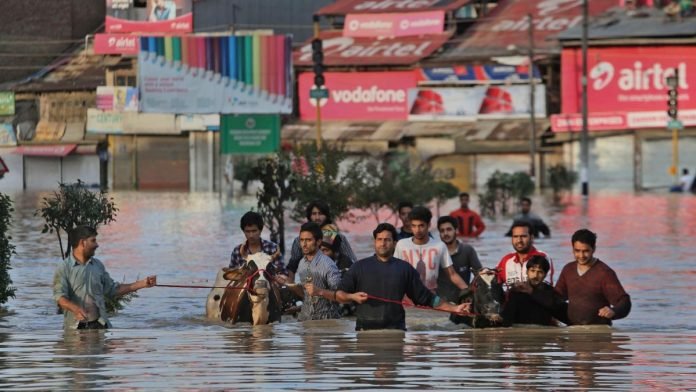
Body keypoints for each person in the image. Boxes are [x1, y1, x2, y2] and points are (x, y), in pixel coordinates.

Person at [336, 223, 470, 330]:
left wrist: (454, 308)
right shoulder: (359, 267)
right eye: (379, 239)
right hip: (365, 332)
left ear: (395, 243)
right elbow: (339, 295)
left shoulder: (405, 269)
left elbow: (427, 298)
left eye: (387, 240)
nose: (383, 243)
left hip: (396, 332)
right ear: (374, 242)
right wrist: (352, 297)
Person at [53, 226, 156, 329]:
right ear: (83, 242)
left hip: (100, 326)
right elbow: (60, 297)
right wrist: (75, 309)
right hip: (74, 329)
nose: (97, 245)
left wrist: (143, 284)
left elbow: (112, 290)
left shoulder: (98, 265)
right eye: (93, 241)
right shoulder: (64, 268)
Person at [554, 229, 631, 326]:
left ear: (594, 249)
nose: (581, 256)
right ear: (572, 249)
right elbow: (556, 297)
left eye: (586, 251)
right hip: (573, 332)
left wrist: (613, 311)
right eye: (577, 251)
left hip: (598, 333)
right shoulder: (568, 269)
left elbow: (624, 301)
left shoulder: (604, 273)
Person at [393, 206, 469, 293]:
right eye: (414, 226)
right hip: (407, 298)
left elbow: (452, 274)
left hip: (430, 298)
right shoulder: (402, 244)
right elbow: (395, 273)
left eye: (421, 226)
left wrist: (468, 291)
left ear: (429, 225)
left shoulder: (439, 246)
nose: (417, 230)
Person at [287, 201, 357, 282]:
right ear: (309, 216)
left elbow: (352, 261)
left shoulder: (338, 237)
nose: (317, 217)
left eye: (320, 214)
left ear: (326, 216)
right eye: (314, 214)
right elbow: (292, 265)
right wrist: (290, 284)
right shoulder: (299, 240)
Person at [288, 222, 342, 321]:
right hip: (305, 320)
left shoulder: (328, 265)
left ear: (318, 242)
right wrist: (291, 287)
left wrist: (319, 291)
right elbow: (306, 295)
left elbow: (340, 296)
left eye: (308, 240)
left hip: (327, 322)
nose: (304, 244)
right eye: (302, 240)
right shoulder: (301, 263)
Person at [500, 256, 568, 326]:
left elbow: (562, 312)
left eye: (540, 272)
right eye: (532, 271)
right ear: (527, 272)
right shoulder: (517, 291)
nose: (535, 275)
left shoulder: (550, 292)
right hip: (521, 333)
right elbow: (507, 319)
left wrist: (531, 291)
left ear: (545, 275)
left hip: (544, 333)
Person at [229, 211, 287, 283]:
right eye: (247, 231)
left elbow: (283, 273)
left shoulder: (272, 248)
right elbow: (231, 275)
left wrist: (280, 278)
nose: (251, 235)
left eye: (254, 231)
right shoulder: (237, 251)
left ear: (260, 230)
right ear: (243, 231)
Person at [436, 216, 482, 303]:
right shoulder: (435, 253)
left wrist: (471, 292)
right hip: (440, 304)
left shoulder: (467, 250)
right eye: (442, 231)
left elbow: (479, 276)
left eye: (449, 229)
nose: (445, 233)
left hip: (463, 302)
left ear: (456, 230)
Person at [497, 220, 554, 286]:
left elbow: (545, 288)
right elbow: (494, 280)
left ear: (532, 238)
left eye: (523, 236)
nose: (519, 240)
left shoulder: (542, 257)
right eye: (515, 236)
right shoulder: (506, 260)